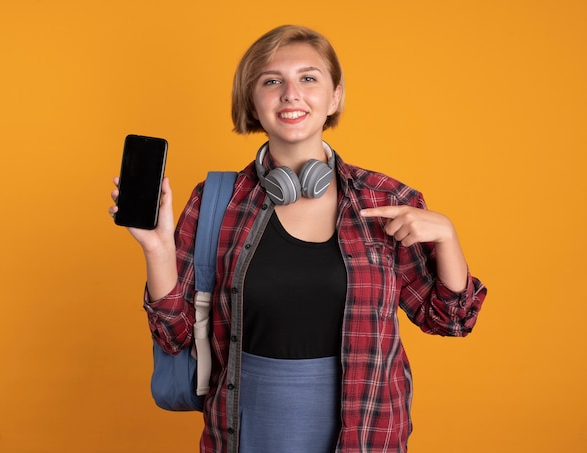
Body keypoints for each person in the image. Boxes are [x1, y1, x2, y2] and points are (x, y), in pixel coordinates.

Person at [109, 24, 487, 453]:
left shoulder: (388, 200)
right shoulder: (216, 201)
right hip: (243, 433)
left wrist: (448, 240)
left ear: (335, 96)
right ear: (252, 101)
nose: (291, 93)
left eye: (308, 78)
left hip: (367, 435)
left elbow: (452, 320)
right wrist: (157, 249)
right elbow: (173, 335)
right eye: (272, 81)